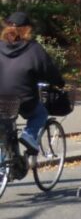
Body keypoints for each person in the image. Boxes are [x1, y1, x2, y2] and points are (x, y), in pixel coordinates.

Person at [0, 12, 65, 154]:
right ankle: (29, 135)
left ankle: (2, 168)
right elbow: (49, 69)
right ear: (27, 29)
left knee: (3, 132)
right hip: (24, 98)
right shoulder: (33, 48)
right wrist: (59, 83)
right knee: (40, 114)